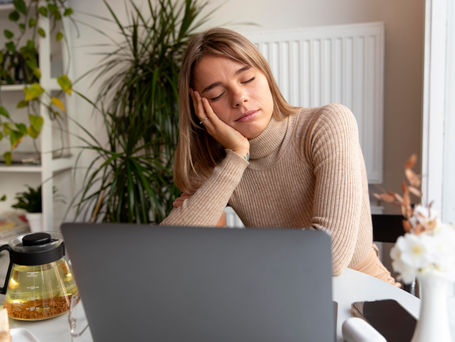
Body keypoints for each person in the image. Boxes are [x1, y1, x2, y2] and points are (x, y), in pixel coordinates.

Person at [161, 27, 398, 285]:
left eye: (248, 78)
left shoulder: (326, 124)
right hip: (284, 296)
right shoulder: (222, 164)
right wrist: (238, 156)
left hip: (364, 294)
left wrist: (242, 254)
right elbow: (169, 249)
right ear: (200, 110)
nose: (239, 98)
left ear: (267, 76)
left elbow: (330, 256)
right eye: (217, 94)